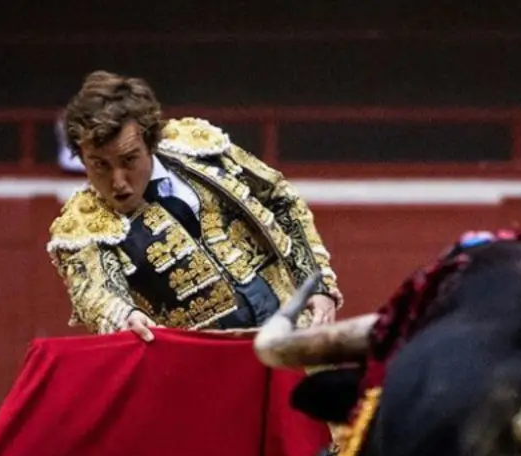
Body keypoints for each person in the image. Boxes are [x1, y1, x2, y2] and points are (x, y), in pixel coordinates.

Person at [47, 70, 342, 340]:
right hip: (206, 365)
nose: (118, 181)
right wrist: (124, 316)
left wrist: (318, 283)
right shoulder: (82, 224)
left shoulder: (197, 148)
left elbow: (280, 199)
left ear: (150, 142)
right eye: (99, 165)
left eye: (129, 160)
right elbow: (97, 293)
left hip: (293, 325)